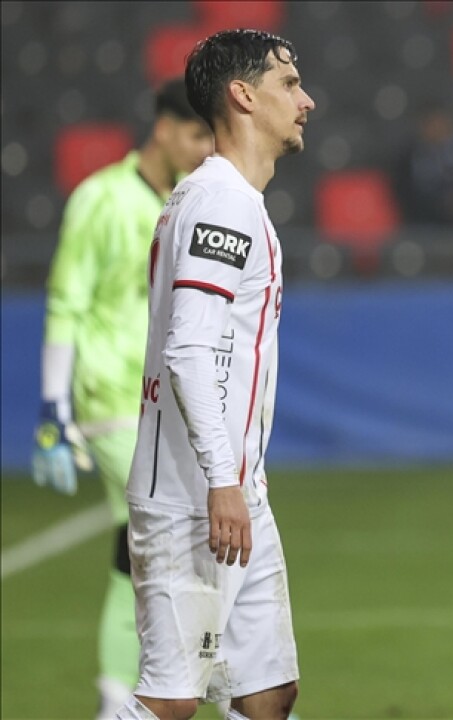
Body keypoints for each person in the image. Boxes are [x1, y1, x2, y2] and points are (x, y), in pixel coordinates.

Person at [114, 28, 315, 720]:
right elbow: (190, 350)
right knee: (170, 700)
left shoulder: (220, 198)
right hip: (194, 498)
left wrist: (236, 484)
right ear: (242, 95)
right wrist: (222, 480)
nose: (306, 101)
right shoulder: (222, 203)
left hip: (230, 492)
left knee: (268, 695)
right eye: (289, 84)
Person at [32, 77, 213, 717]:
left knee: (130, 548)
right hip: (112, 402)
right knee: (189, 532)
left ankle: (117, 696)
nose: (204, 148)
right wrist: (53, 412)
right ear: (163, 128)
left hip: (163, 403)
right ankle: (235, 693)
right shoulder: (101, 199)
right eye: (196, 134)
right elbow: (66, 301)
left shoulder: (186, 202)